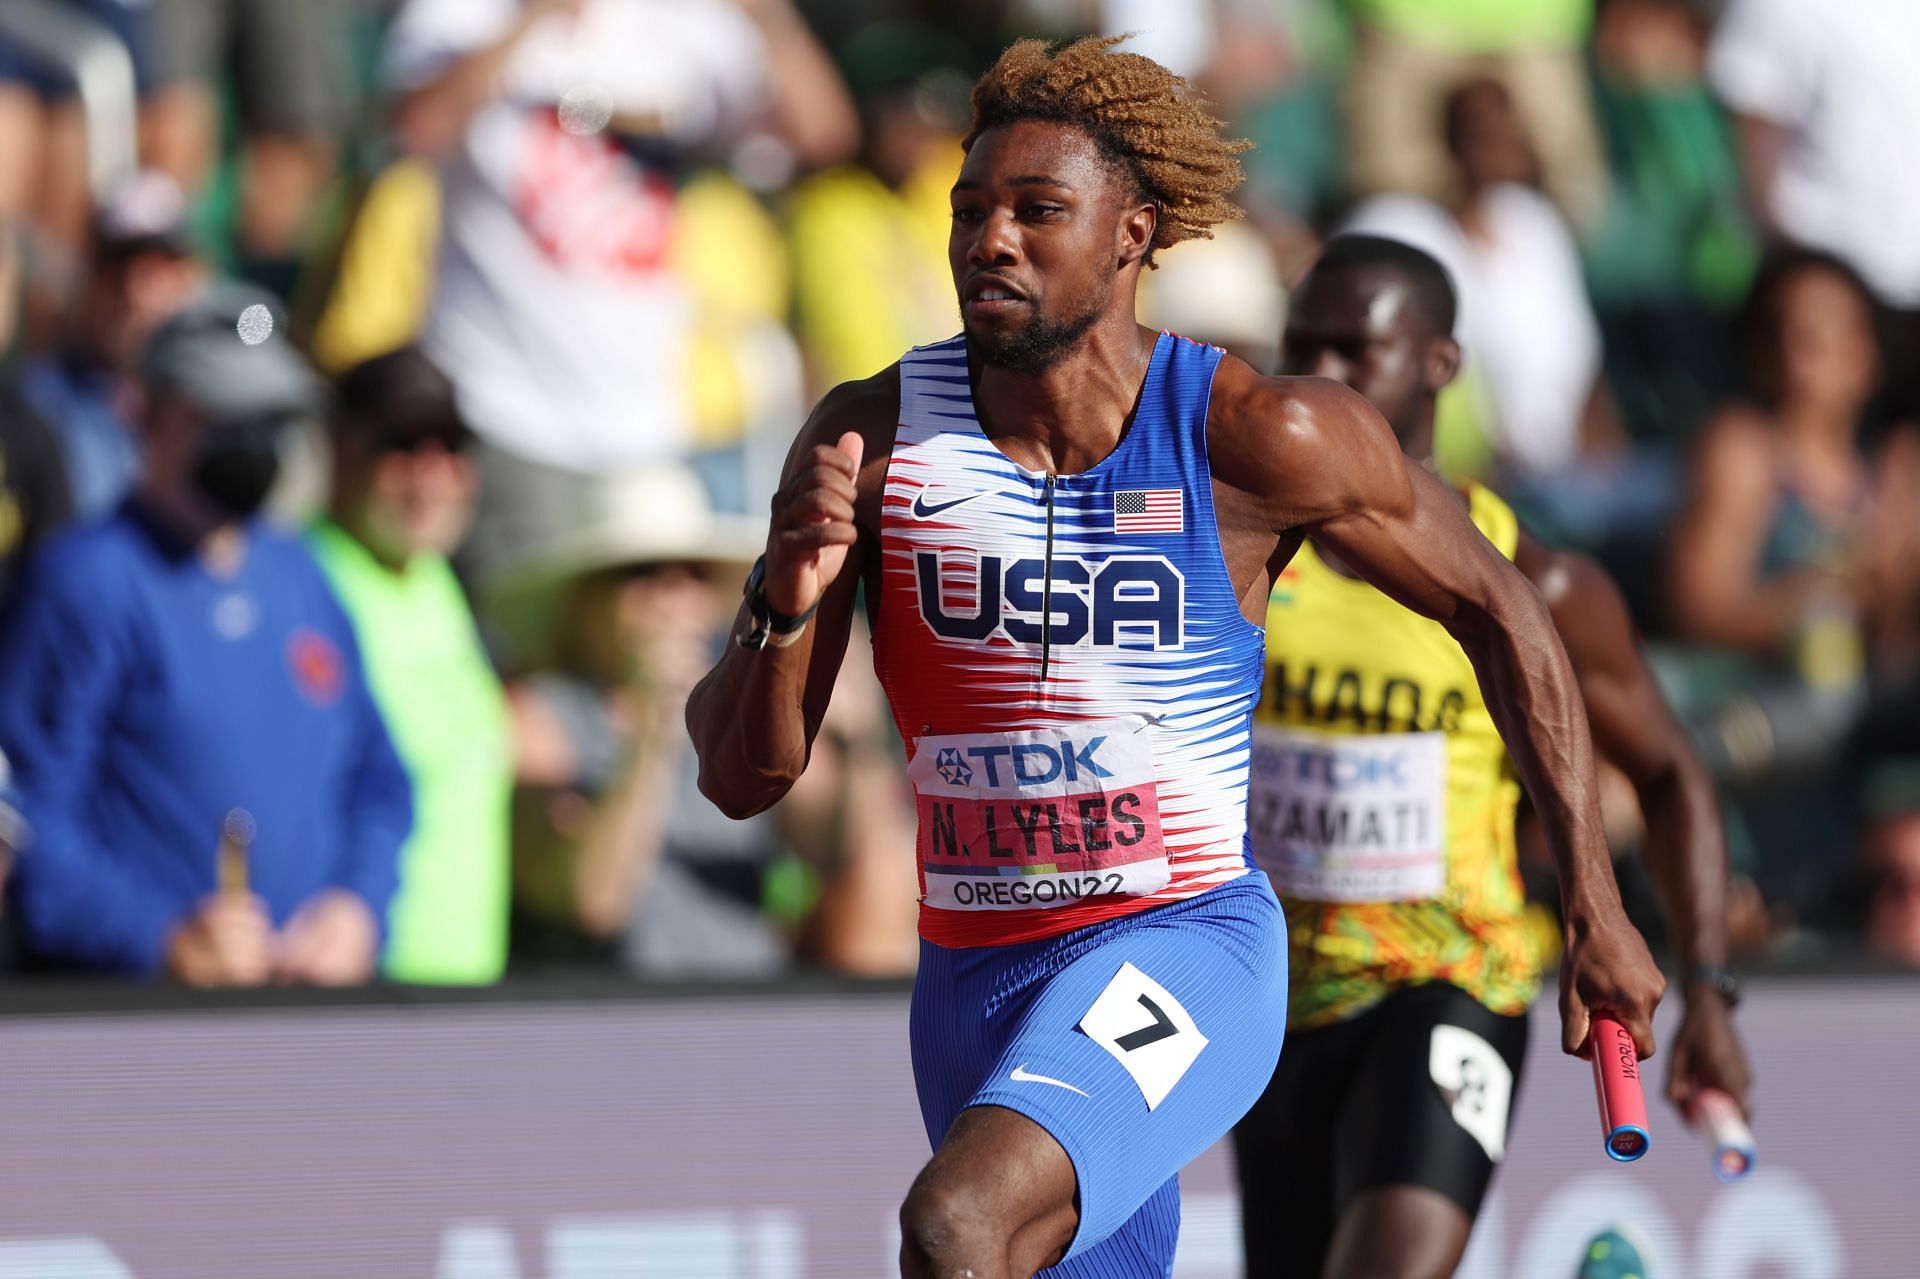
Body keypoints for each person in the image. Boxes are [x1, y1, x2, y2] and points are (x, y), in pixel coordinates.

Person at [685, 36, 1662, 1278]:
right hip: (973, 974)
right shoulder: (873, 439)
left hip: (1183, 941)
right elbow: (742, 777)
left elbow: (1508, 611)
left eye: (1039, 212)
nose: (991, 240)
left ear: (1131, 235)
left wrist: (1594, 900)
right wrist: (783, 593)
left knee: (955, 1224)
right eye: (970, 210)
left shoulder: (1257, 434)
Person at [1230, 235, 1751, 1279]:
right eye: (1303, 348)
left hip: (1451, 974)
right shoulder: (1237, 548)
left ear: (1439, 365)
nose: (1321, 379)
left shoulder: (1528, 577)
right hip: (1269, 995)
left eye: (1355, 350)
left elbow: (1669, 771)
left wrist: (1707, 986)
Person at [0, 286, 411, 983]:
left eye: (269, 419)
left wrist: (356, 907)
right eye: (223, 418)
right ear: (147, 416)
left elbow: (379, 780)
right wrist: (160, 938)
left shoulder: (302, 577)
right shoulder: (90, 582)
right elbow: (27, 820)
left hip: (307, 1006)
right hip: (140, 1023)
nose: (251, 443)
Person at [307, 346, 511, 986]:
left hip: (466, 992)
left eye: (449, 447)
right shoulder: (306, 585)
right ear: (339, 450)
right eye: (400, 445)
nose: (430, 476)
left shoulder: (436, 581)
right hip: (360, 989)